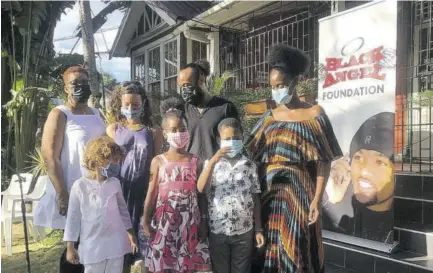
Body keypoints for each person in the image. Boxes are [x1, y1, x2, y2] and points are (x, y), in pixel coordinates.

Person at [248, 44, 342, 273]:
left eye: (280, 85)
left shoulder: (315, 115)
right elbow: (250, 155)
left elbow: (325, 160)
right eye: (272, 87)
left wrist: (317, 200)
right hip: (270, 192)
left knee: (298, 242)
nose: (276, 91)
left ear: (294, 82)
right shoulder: (269, 118)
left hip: (300, 192)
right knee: (270, 245)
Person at [34, 66, 106, 273]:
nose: (81, 87)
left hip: (96, 190)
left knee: (92, 245)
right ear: (66, 88)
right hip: (72, 190)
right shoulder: (60, 114)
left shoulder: (96, 113)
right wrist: (62, 193)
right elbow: (50, 156)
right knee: (73, 246)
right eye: (75, 83)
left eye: (84, 82)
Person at [142, 99, 212, 273]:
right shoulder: (158, 161)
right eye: (174, 130)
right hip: (165, 221)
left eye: (182, 129)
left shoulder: (196, 161)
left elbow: (201, 194)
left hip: (190, 222)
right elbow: (151, 193)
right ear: (165, 133)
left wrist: (203, 220)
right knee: (165, 262)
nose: (179, 133)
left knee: (187, 263)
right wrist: (145, 220)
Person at [107, 81, 162, 273]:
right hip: (119, 195)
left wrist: (152, 194)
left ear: (143, 104)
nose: (131, 109)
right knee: (121, 250)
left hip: (143, 195)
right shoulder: (113, 129)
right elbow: (108, 163)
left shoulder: (153, 132)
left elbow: (156, 165)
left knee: (146, 250)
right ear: (119, 104)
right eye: (127, 105)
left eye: (136, 105)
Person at [197, 118, 265, 273]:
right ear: (218, 140)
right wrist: (213, 160)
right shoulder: (212, 164)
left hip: (244, 231)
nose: (232, 142)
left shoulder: (249, 165)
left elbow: (255, 198)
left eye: (236, 139)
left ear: (242, 139)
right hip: (218, 230)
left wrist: (258, 229)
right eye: (227, 139)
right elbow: (200, 188)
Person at [64, 136, 138, 273]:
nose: (112, 163)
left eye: (114, 159)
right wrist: (70, 246)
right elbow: (73, 217)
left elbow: (123, 211)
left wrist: (130, 233)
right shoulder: (80, 186)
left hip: (115, 243)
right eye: (108, 158)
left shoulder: (114, 183)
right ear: (97, 158)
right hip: (92, 244)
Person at [323, 112, 395, 243]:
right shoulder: (340, 202)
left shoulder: (398, 223)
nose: (364, 170)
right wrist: (334, 201)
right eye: (358, 158)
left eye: (379, 162)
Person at [178, 59, 239, 161]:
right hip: (191, 172)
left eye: (186, 85)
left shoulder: (225, 108)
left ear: (201, 79)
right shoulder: (184, 111)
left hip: (217, 171)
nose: (184, 90)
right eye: (181, 87)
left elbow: (236, 141)